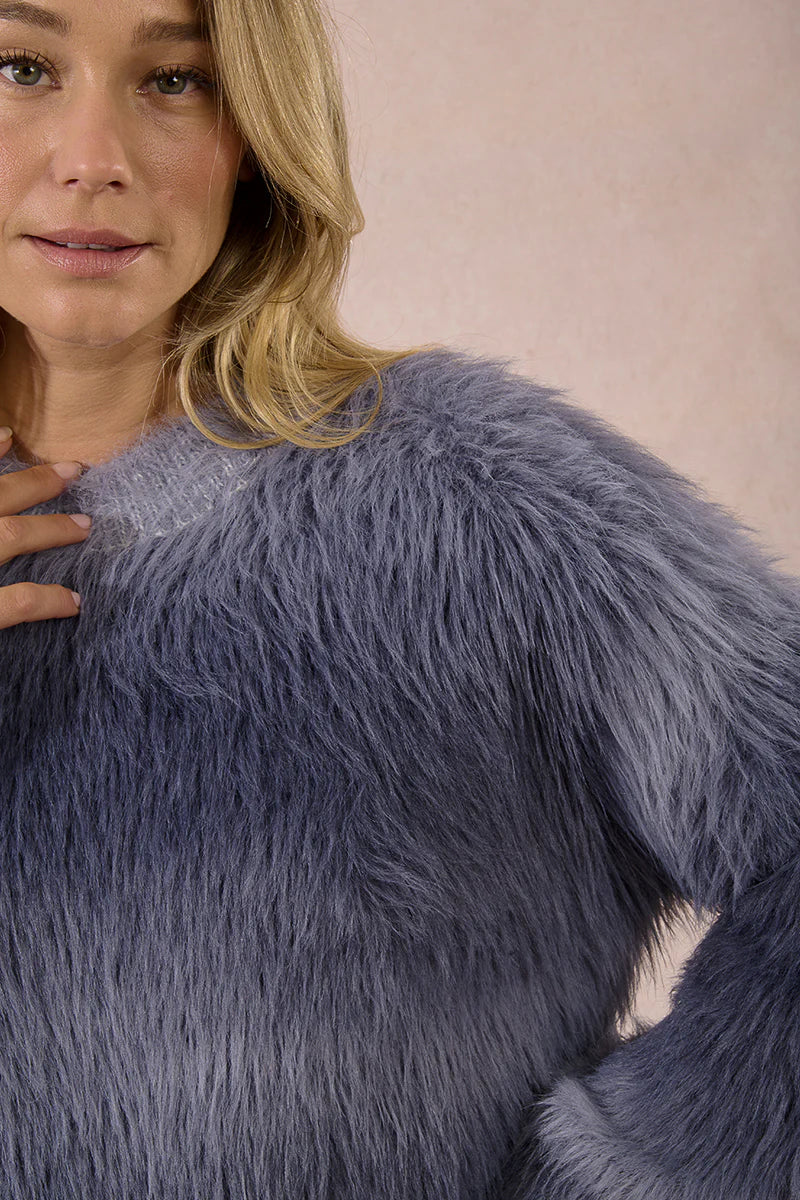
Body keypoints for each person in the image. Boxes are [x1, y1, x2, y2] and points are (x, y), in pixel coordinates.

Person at [0, 0, 797, 1197]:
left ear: (257, 130)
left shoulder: (475, 495)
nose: (92, 158)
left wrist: (639, 1175)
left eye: (175, 80)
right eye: (21, 67)